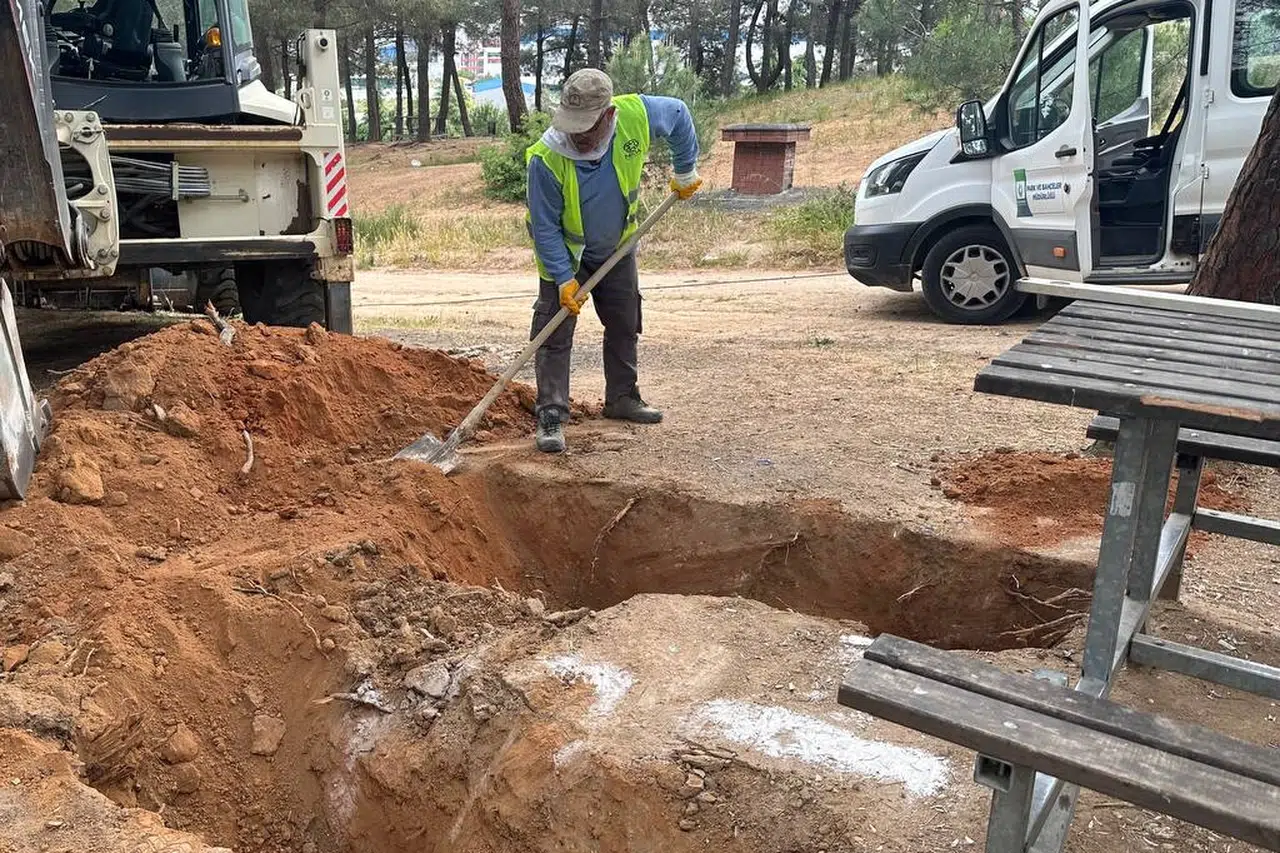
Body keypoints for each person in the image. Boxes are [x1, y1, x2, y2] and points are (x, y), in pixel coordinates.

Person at [525, 68, 702, 454]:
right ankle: (551, 413)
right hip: (566, 256)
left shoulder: (636, 115)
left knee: (624, 321)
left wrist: (685, 169)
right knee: (553, 333)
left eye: (586, 127)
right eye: (572, 125)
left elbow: (679, 115)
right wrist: (563, 278)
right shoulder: (545, 158)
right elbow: (544, 228)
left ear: (608, 115)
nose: (577, 136)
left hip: (618, 248)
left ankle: (622, 397)